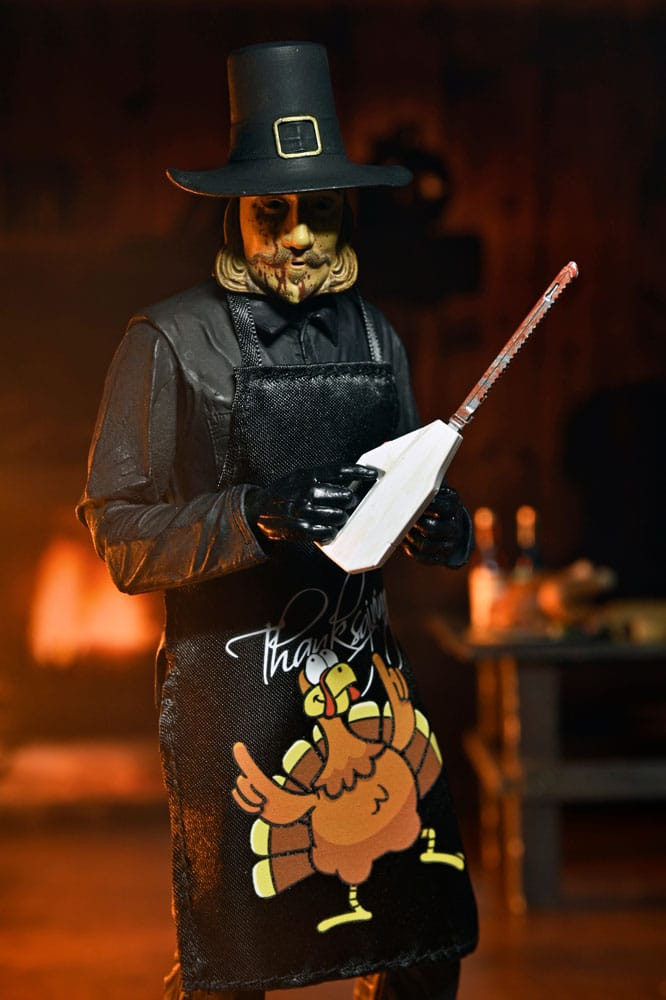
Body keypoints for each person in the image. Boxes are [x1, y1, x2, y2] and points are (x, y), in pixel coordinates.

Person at [78, 41, 478, 1000]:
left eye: (319, 210)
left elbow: (401, 495)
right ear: (237, 210)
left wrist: (440, 529)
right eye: (273, 211)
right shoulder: (168, 341)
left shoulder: (377, 335)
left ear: (345, 210)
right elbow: (121, 535)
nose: (298, 236)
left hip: (365, 691)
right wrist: (257, 513)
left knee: (425, 936)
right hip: (236, 706)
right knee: (236, 958)